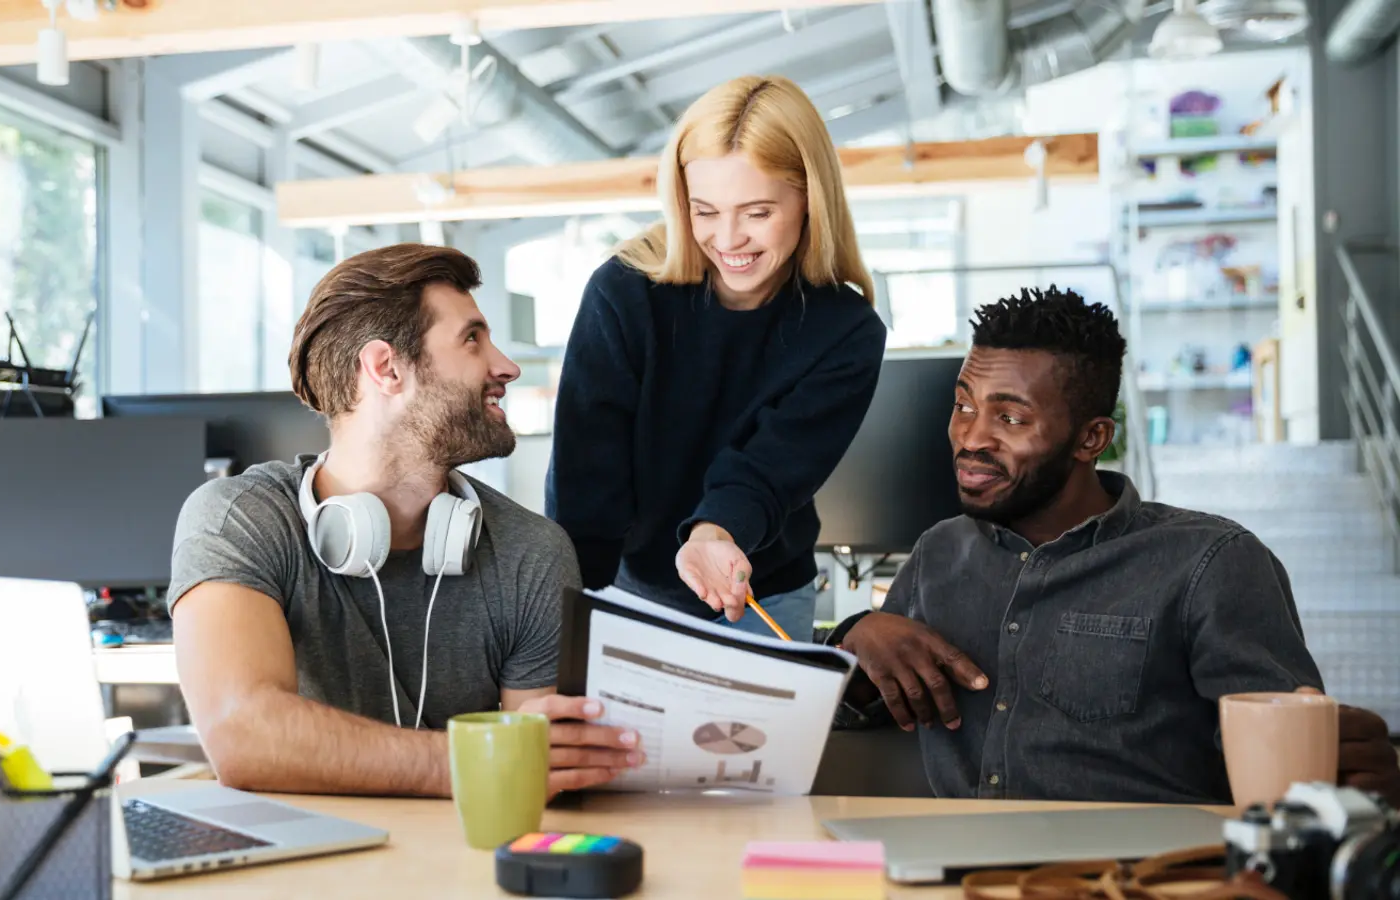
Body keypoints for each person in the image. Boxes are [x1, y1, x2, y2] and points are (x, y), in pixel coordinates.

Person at [832, 286, 1400, 808]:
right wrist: (854, 637)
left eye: (1009, 417)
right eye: (963, 406)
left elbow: (1294, 767)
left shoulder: (1211, 562)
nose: (972, 437)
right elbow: (870, 711)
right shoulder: (938, 553)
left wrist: (1357, 778)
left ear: (1092, 438)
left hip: (1135, 876)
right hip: (950, 870)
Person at [168, 243, 645, 797]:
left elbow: (541, 778)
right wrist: (471, 763)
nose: (506, 367)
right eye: (472, 339)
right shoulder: (239, 519)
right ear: (386, 367)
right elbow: (243, 735)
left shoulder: (531, 553)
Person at [546, 75, 887, 641]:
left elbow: (771, 469)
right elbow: (586, 476)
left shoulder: (845, 331)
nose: (728, 239)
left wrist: (715, 533)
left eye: (756, 213)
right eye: (705, 211)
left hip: (759, 594)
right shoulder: (624, 294)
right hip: (625, 596)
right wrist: (567, 606)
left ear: (810, 198)